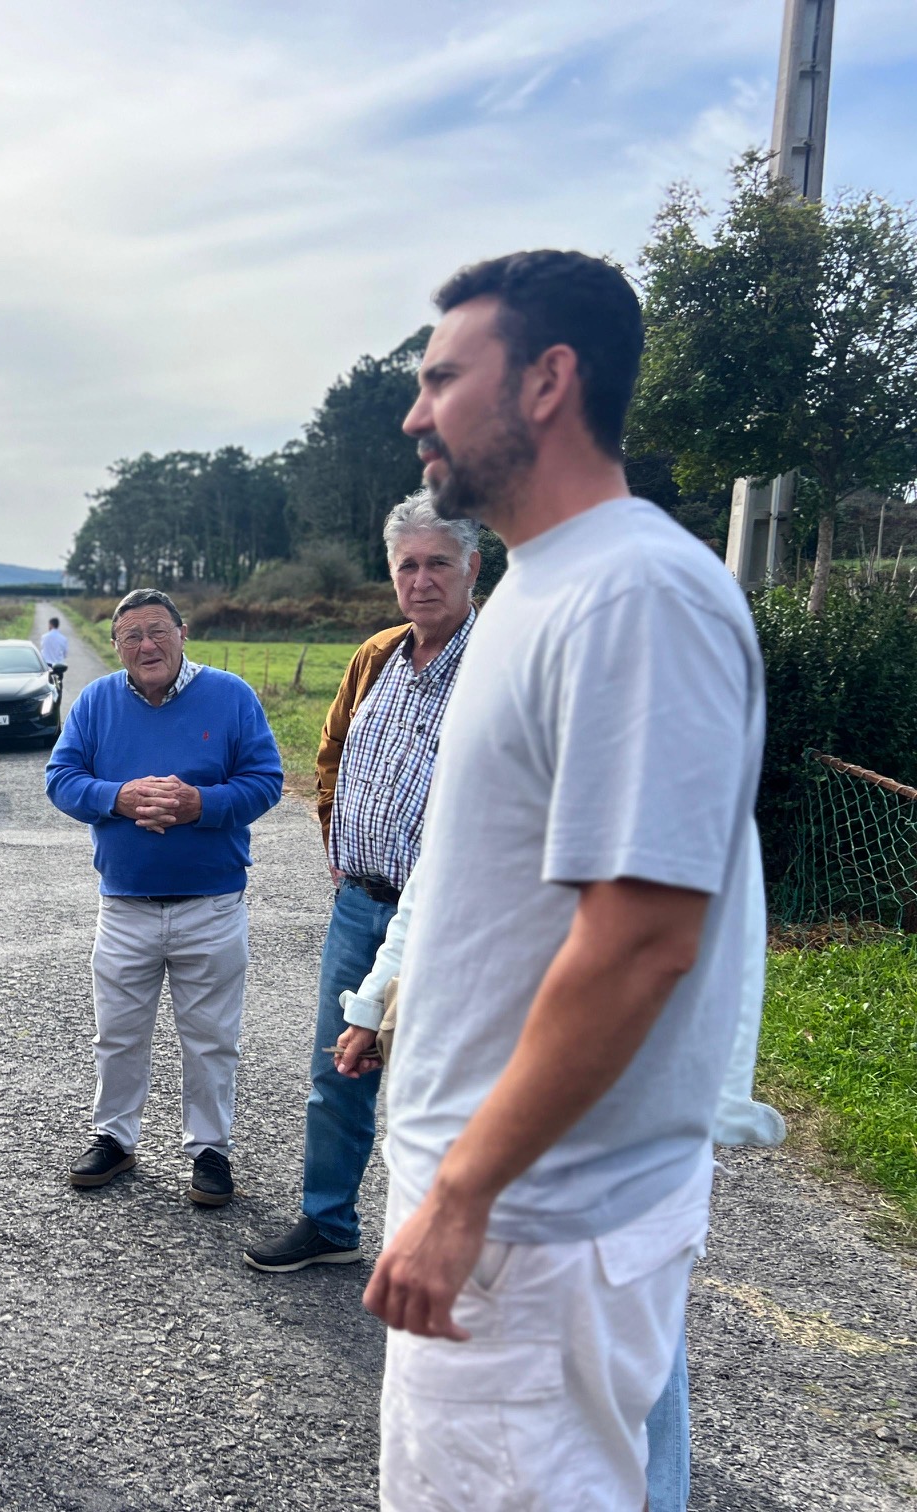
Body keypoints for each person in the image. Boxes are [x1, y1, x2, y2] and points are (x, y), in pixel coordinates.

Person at [364, 250, 765, 1510]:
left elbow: (641, 939)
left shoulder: (637, 595)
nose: (416, 413)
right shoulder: (543, 588)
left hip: (535, 1229)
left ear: (548, 381)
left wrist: (466, 1194)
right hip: (501, 1216)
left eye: (443, 378)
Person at [331, 840, 785, 1511]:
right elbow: (439, 881)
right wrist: (375, 1004)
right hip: (477, 1119)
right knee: (489, 1422)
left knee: (613, 1373)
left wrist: (459, 1197)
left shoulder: (636, 768)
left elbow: (649, 942)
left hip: (589, 1129)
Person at [243, 494, 479, 1274]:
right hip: (359, 902)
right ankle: (329, 1224)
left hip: (447, 922)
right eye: (407, 565)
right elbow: (333, 750)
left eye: (438, 563)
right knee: (337, 1069)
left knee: (437, 1089)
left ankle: (444, 1252)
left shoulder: (498, 669)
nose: (422, 580)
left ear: (473, 567)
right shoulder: (378, 654)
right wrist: (335, 844)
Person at [44, 588, 284, 1205]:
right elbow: (60, 778)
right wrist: (117, 798)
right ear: (116, 645)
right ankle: (115, 1138)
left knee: (211, 1037)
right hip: (125, 905)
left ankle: (209, 1149)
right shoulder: (97, 701)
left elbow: (266, 781)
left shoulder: (230, 696)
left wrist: (200, 805)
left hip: (212, 904)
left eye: (157, 631)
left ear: (182, 634)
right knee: (118, 1032)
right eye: (131, 636)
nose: (146, 645)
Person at [39, 616, 70, 687]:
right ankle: (59, 691)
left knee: (47, 685)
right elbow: (65, 654)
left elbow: (42, 649)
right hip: (59, 666)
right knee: (59, 683)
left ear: (51, 625)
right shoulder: (63, 638)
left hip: (47, 665)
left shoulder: (44, 637)